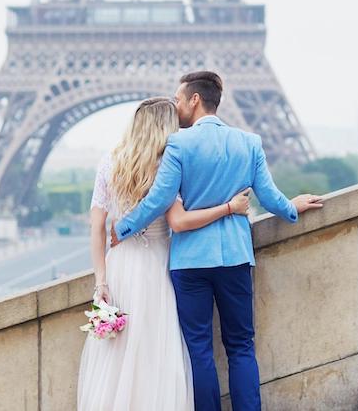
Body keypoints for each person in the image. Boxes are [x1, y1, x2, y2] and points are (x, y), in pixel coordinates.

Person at [112, 71, 323, 411]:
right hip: (235, 258)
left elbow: (156, 200)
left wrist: (121, 230)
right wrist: (292, 208)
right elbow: (269, 198)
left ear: (194, 100)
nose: (176, 106)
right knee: (241, 346)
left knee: (199, 348)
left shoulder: (178, 145)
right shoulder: (249, 142)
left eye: (179, 100)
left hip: (191, 263)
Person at [77, 97, 252, 411]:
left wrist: (100, 283)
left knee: (120, 351)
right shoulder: (169, 166)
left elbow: (97, 227)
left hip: (121, 266)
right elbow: (179, 221)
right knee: (162, 349)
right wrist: (230, 208)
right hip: (161, 262)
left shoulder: (109, 162)